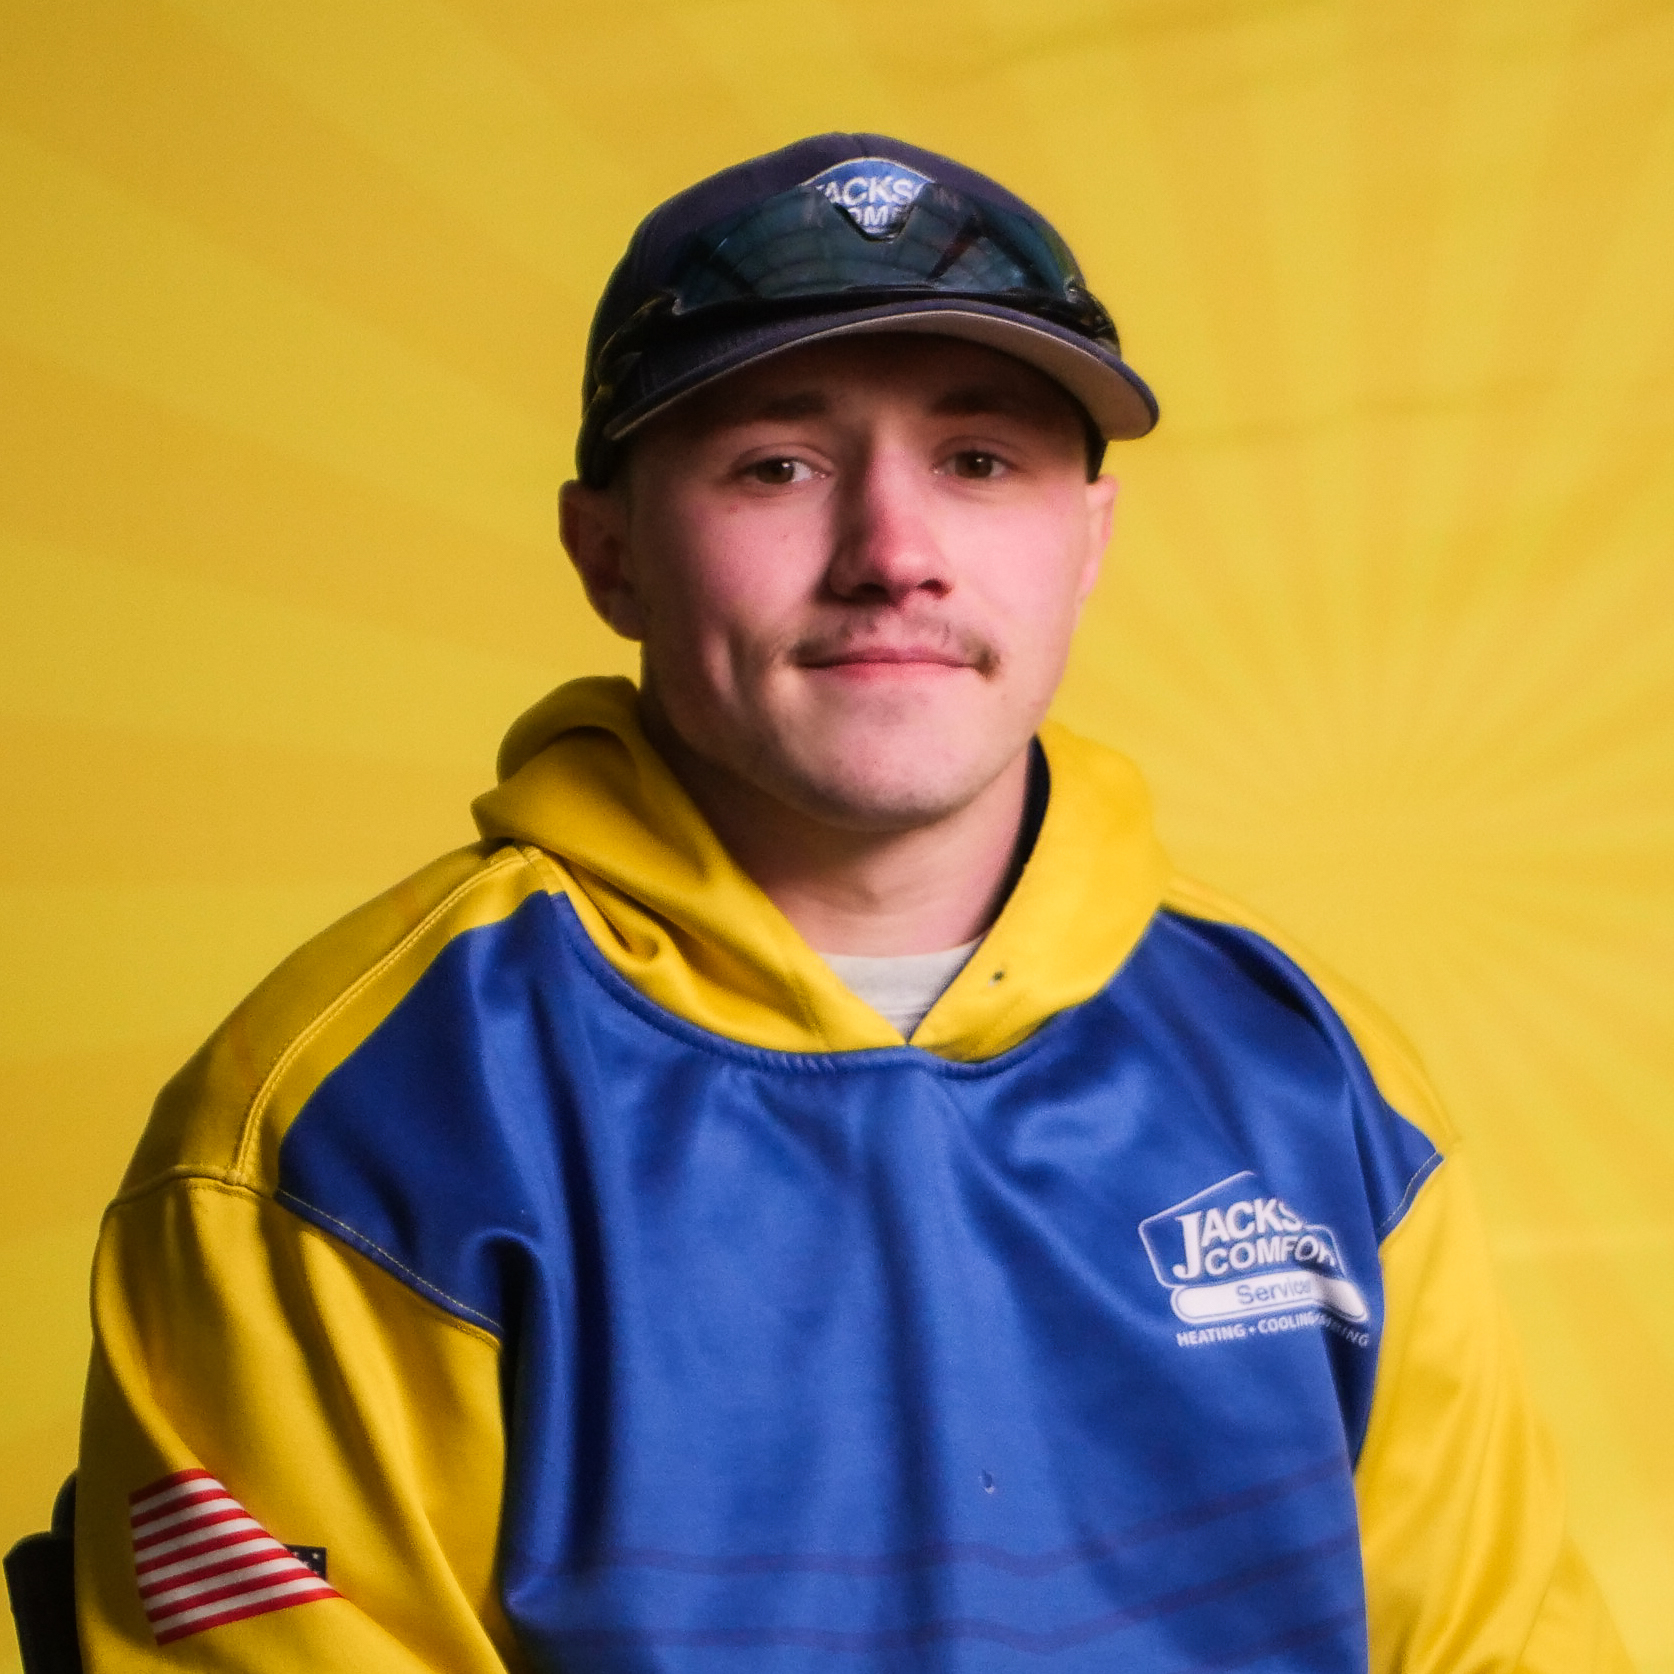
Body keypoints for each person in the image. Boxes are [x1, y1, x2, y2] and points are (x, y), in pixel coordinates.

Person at [75, 134, 1632, 1673]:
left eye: (977, 461)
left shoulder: (1309, 1069)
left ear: (1084, 544)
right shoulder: (361, 1118)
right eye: (777, 464)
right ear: (605, 551)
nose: (892, 555)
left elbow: (1496, 1643)